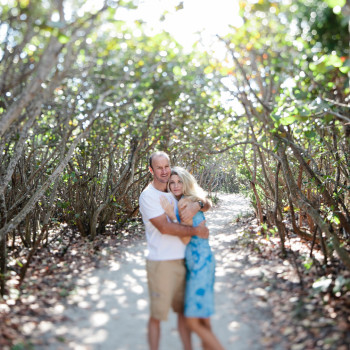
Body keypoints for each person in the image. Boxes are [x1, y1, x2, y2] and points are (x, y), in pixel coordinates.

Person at [139, 151, 212, 350]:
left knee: (183, 314)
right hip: (162, 262)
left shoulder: (174, 189)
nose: (164, 171)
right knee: (157, 316)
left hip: (184, 261)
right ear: (151, 170)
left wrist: (198, 204)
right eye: (159, 168)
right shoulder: (148, 196)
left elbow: (204, 201)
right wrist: (196, 230)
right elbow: (165, 227)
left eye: (166, 166)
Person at [160, 166, 225, 350]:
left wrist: (171, 215)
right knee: (203, 319)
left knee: (193, 321)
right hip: (203, 260)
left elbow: (186, 237)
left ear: (186, 182)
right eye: (172, 182)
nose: (175, 185)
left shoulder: (183, 204)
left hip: (198, 264)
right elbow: (206, 203)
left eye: (179, 181)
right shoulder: (191, 200)